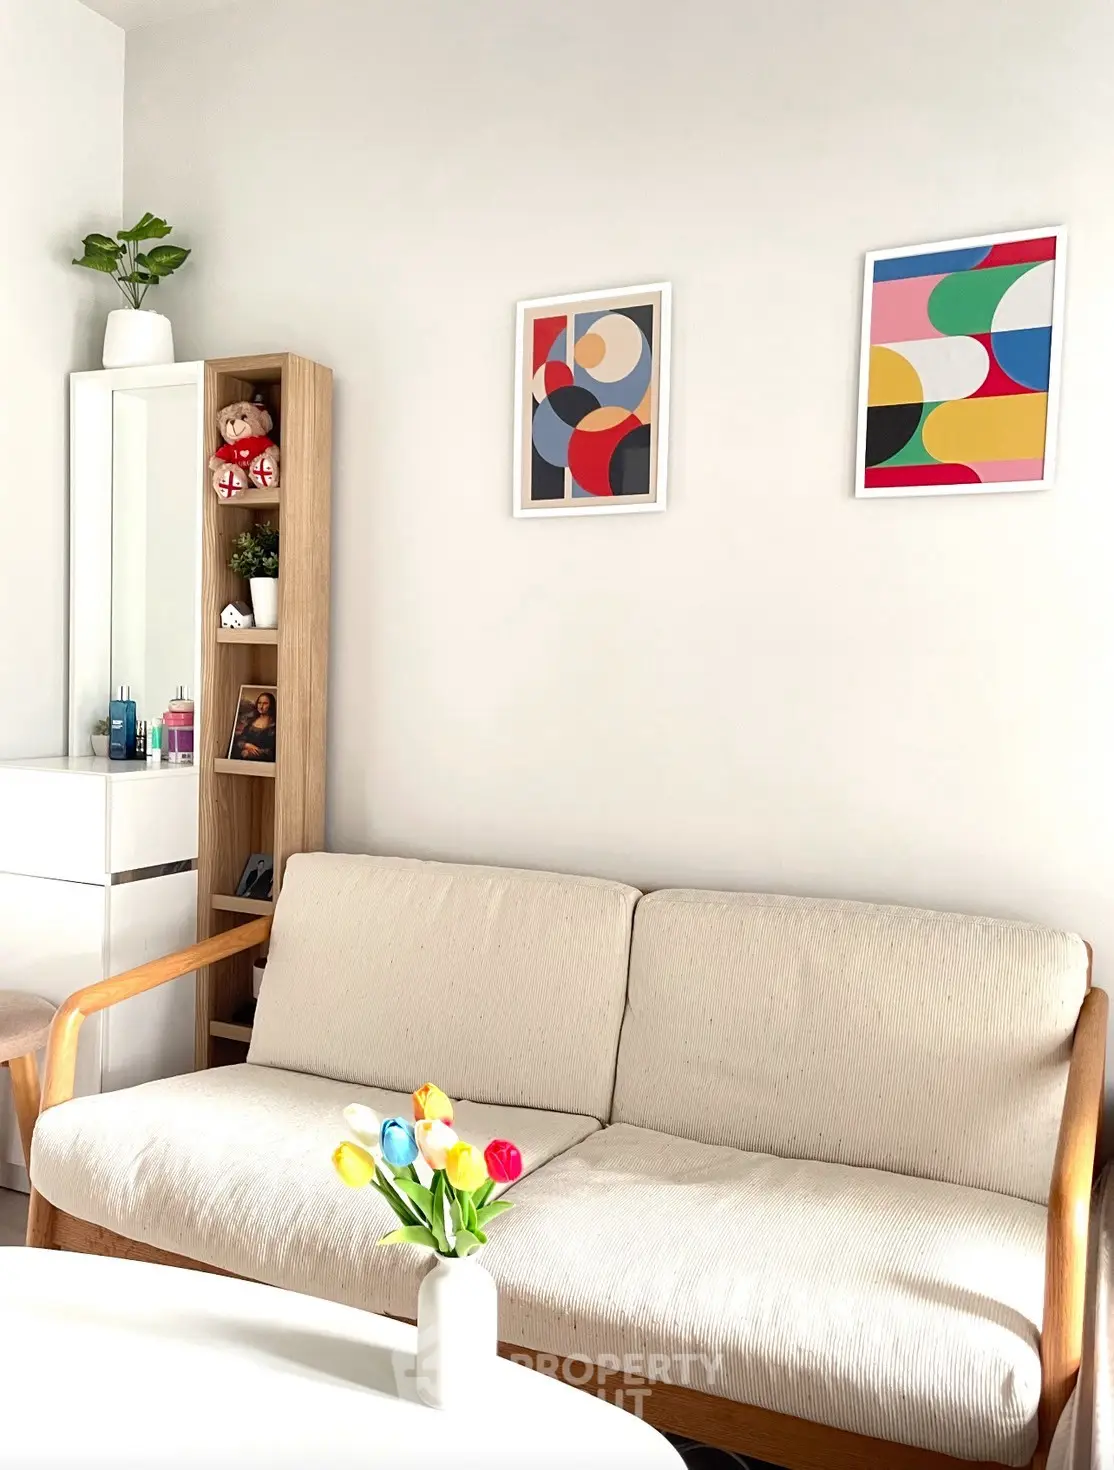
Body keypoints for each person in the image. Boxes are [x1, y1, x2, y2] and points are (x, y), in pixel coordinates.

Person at [234, 690, 276, 761]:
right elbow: (240, 739)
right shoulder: (251, 721)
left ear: (271, 705)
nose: (261, 706)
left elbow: (272, 751)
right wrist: (246, 745)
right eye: (259, 703)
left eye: (265, 703)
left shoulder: (273, 725)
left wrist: (251, 753)